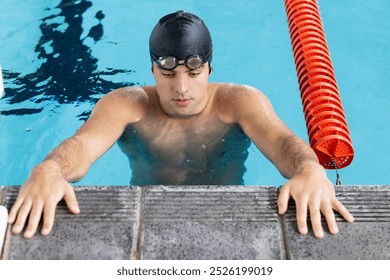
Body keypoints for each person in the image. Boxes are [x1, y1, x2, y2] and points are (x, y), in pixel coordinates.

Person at [8, 10, 354, 239]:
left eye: (193, 73)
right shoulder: (127, 105)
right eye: (168, 74)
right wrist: (49, 169)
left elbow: (282, 143)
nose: (181, 88)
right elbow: (82, 146)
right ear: (153, 70)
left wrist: (309, 170)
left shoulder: (238, 101)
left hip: (229, 220)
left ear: (210, 69)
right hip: (145, 220)